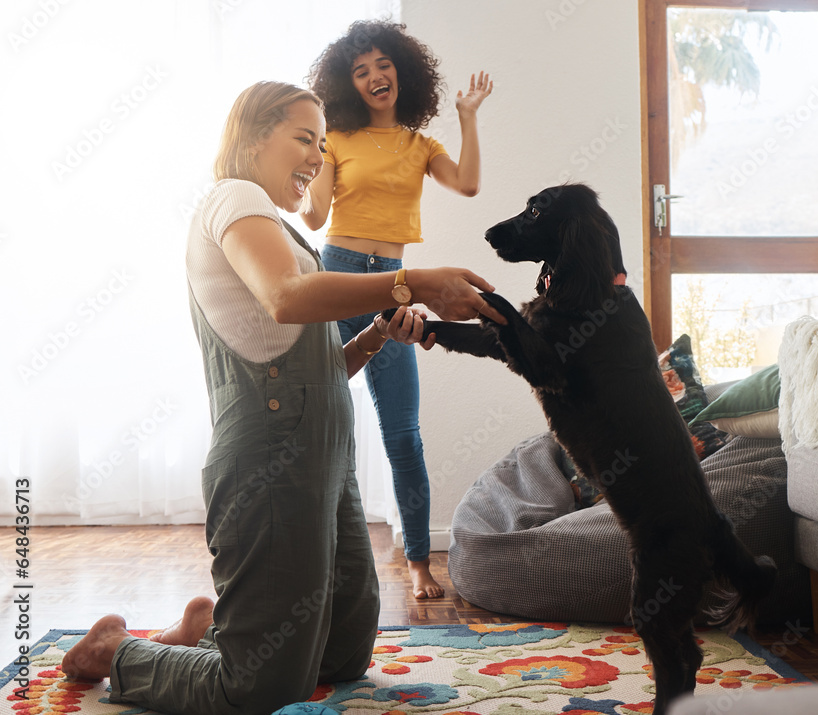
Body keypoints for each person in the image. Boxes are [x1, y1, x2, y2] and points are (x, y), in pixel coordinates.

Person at [62, 81, 503, 715]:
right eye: (303, 138)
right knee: (260, 688)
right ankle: (115, 650)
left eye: (322, 145)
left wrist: (378, 334)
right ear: (249, 138)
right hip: (268, 462)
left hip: (324, 458)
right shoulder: (234, 198)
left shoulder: (280, 231)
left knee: (344, 655)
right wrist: (414, 281)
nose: (317, 158)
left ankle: (211, 633)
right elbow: (285, 298)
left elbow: (315, 368)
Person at [300, 19, 492, 599]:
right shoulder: (336, 138)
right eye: (360, 71)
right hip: (337, 275)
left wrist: (467, 118)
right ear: (348, 84)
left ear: (401, 73)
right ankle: (320, 557)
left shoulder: (421, 145)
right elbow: (312, 218)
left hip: (396, 286)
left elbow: (469, 186)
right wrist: (309, 159)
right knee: (324, 421)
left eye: (382, 66)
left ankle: (417, 562)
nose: (373, 77)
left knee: (403, 433)